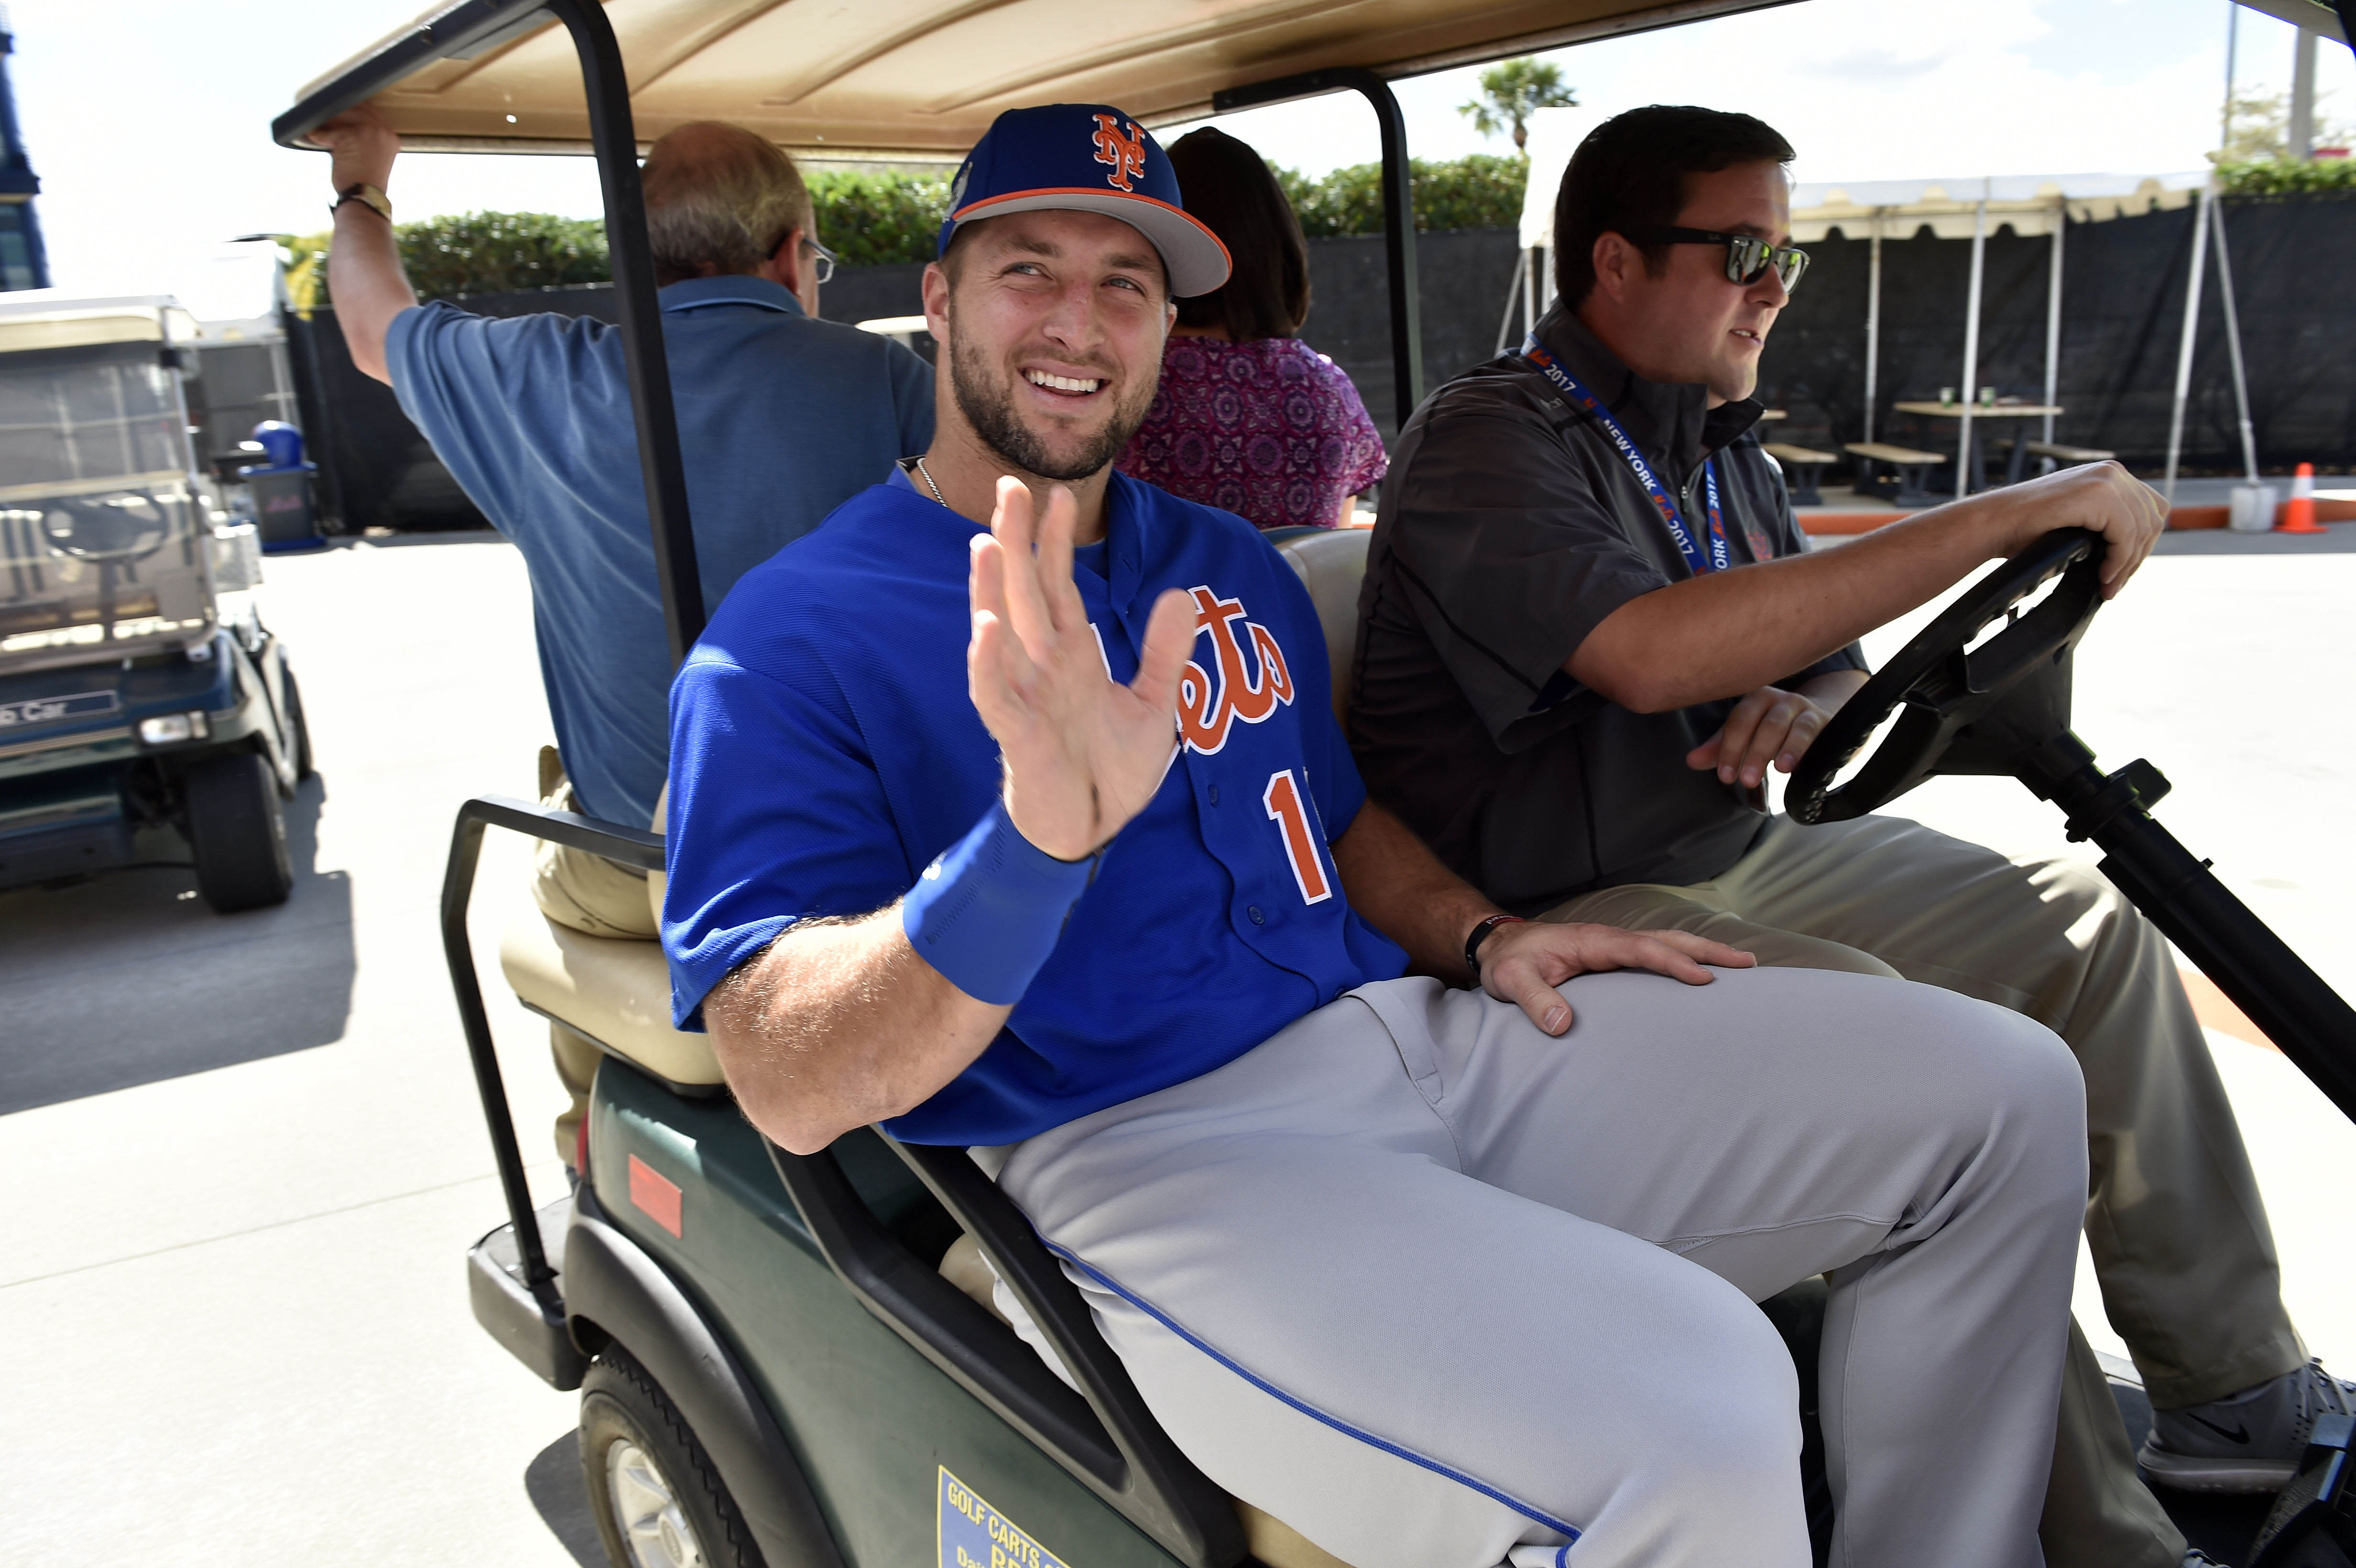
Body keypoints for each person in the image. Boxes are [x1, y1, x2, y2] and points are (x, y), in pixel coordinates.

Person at [660, 102, 2091, 1568]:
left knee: (2000, 1093)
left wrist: (1483, 931)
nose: (1077, 321)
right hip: (1153, 1151)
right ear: (942, 295)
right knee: (1704, 1408)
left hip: (1417, 1035)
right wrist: (1029, 845)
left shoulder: (1223, 563)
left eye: (1126, 285)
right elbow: (781, 1071)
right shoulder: (790, 637)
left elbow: (1332, 818)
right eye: (1030, 269)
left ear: (1163, 329)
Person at [1352, 103, 2351, 1567]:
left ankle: (2233, 1394)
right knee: (1931, 1061)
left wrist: (1811, 690)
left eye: (1786, 254)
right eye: (1745, 249)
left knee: (2089, 922)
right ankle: (2101, 1538)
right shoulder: (1489, 441)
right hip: (1560, 906)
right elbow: (1638, 649)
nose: (1773, 285)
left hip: (1722, 849)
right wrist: (2003, 511)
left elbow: (1791, 628)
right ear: (1615, 261)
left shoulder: (1715, 443)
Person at [305, 106, 933, 1164]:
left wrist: (360, 185)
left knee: (562, 859)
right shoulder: (893, 384)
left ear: (635, 258)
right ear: (790, 253)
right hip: (864, 853)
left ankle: (595, 1164)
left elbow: (372, 321)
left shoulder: (533, 376)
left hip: (646, 852)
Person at [1115, 127, 1385, 529]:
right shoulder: (1332, 392)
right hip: (1287, 594)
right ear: (1280, 249)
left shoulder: (1126, 381)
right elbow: (1328, 552)